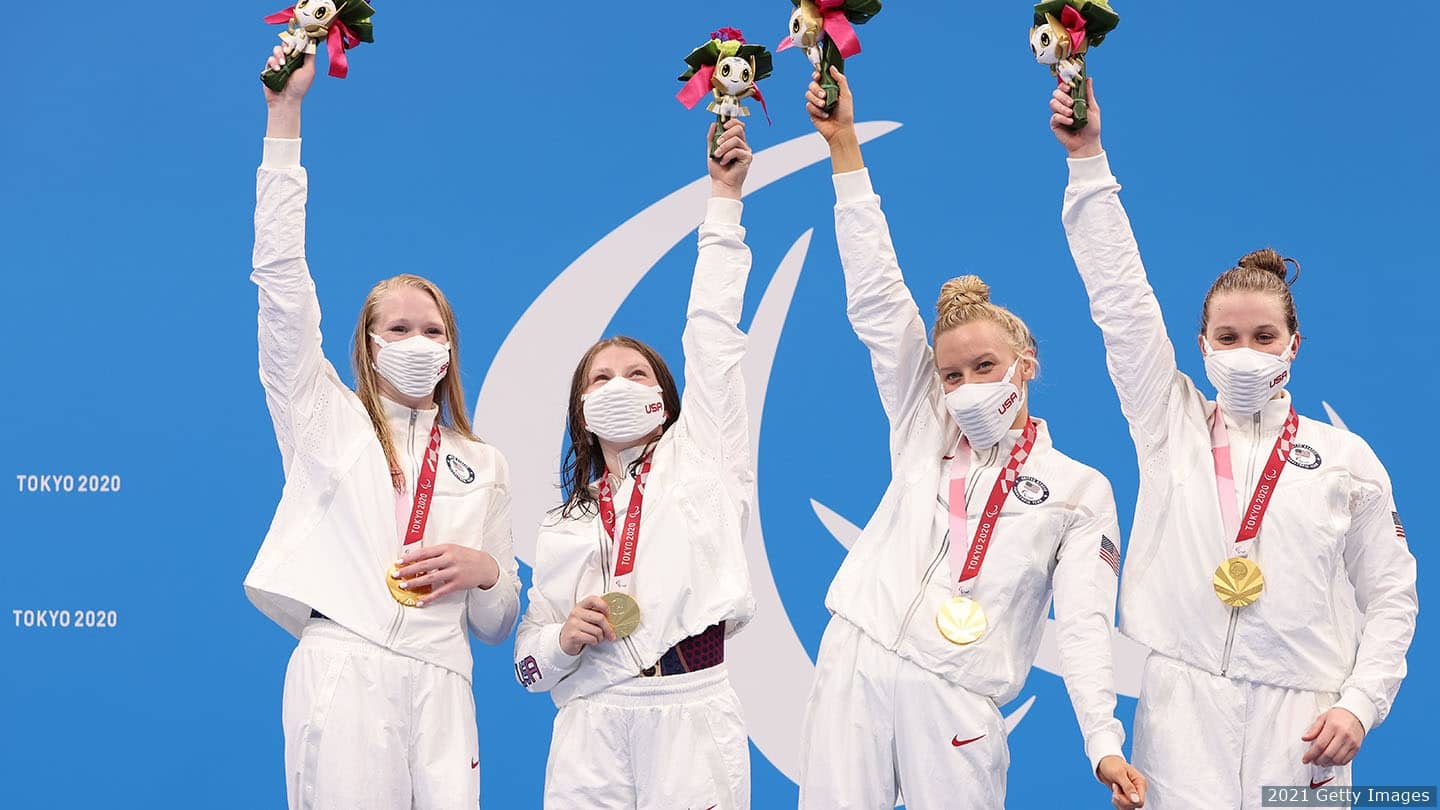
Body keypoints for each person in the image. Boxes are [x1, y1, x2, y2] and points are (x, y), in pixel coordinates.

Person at [1052, 79, 1418, 809]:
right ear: (1202, 346)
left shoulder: (1347, 461)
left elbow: (1392, 596)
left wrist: (1360, 704)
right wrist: (1087, 159)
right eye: (1227, 337)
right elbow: (1121, 302)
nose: (1245, 351)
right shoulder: (1169, 420)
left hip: (1305, 724)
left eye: (1263, 336)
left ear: (1294, 345)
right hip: (1180, 712)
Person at [798, 67, 1146, 810]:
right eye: (950, 374)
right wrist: (843, 145)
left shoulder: (1080, 492)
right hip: (857, 658)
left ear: (1026, 364)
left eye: (984, 367)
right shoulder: (921, 420)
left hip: (958, 696)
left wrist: (1104, 743)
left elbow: (1085, 623)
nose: (964, 388)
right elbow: (876, 295)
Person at [245, 47, 521, 809]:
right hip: (346, 660)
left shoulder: (483, 462)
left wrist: (485, 570)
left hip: (444, 678)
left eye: (433, 331)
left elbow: (498, 622)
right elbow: (281, 286)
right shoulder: (321, 414)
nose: (417, 342)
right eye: (398, 329)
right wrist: (284, 119)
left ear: (452, 349)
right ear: (367, 346)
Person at [512, 119, 759, 810]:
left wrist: (724, 201)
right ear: (581, 410)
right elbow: (528, 667)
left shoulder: (703, 456)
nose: (618, 385)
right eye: (600, 379)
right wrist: (560, 641)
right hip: (589, 724)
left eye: (636, 374)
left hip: (690, 712)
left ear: (666, 399)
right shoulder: (564, 521)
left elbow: (712, 334)